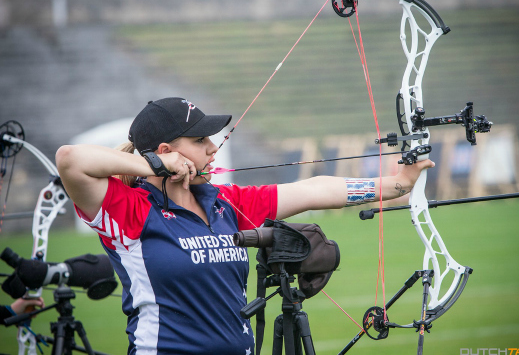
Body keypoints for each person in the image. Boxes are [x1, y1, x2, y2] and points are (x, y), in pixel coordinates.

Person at [55, 97, 434, 355]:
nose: (212, 148)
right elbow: (70, 159)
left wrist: (394, 185)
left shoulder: (224, 203)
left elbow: (313, 190)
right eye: (200, 139)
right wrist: (154, 166)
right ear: (167, 152)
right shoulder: (129, 211)